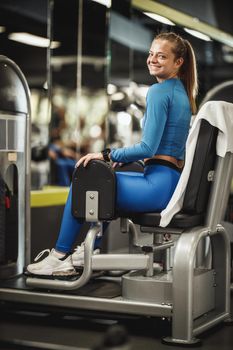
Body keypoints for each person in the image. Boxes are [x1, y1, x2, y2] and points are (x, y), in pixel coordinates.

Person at [27, 31, 198, 276]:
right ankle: (88, 251)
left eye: (162, 56)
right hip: (168, 181)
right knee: (107, 182)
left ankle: (59, 256)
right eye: (151, 54)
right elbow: (161, 149)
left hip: (158, 187)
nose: (153, 60)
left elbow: (148, 148)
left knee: (87, 181)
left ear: (178, 62)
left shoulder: (159, 92)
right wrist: (120, 160)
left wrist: (107, 155)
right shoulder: (181, 92)